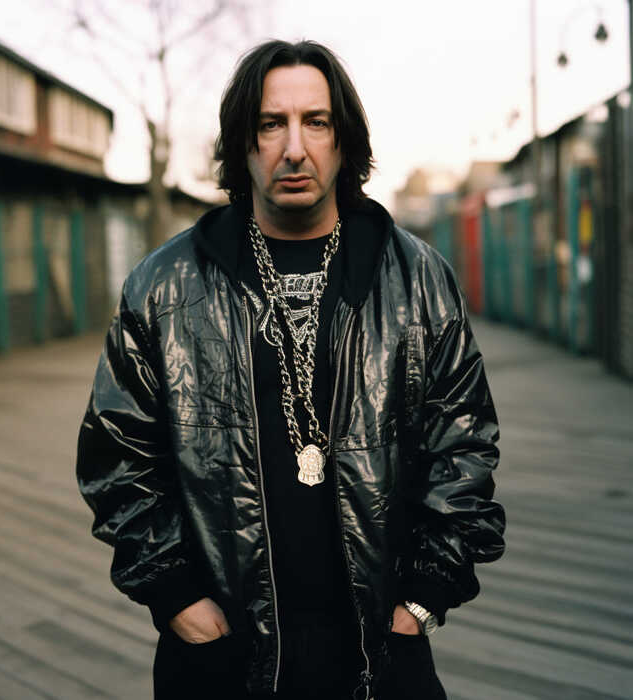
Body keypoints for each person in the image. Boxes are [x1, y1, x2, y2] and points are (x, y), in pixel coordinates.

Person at [76, 39, 506, 700]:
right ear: (241, 143)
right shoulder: (164, 286)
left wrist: (422, 597)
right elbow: (117, 453)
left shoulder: (416, 278)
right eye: (271, 123)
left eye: (317, 121)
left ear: (344, 138)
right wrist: (175, 593)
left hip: (380, 647)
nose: (295, 148)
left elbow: (464, 443)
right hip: (222, 652)